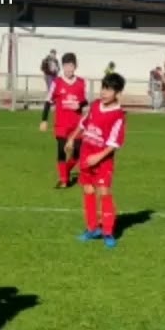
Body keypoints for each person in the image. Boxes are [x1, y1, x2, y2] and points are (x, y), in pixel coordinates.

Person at [64, 73, 128, 249]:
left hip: (103, 160)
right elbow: (83, 124)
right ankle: (92, 228)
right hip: (86, 155)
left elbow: (114, 143)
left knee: (104, 192)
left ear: (117, 93)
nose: (104, 92)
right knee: (88, 190)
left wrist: (98, 157)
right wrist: (72, 138)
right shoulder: (94, 106)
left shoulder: (118, 115)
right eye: (103, 88)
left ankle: (108, 231)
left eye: (109, 90)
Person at [40, 52, 88, 189]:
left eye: (71, 66)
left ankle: (65, 170)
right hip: (61, 124)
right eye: (66, 66)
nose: (69, 69)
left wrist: (79, 105)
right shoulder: (57, 83)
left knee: (77, 153)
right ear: (63, 67)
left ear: (75, 66)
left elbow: (84, 102)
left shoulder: (81, 83)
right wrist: (44, 120)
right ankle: (64, 180)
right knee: (61, 150)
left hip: (77, 125)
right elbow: (48, 101)